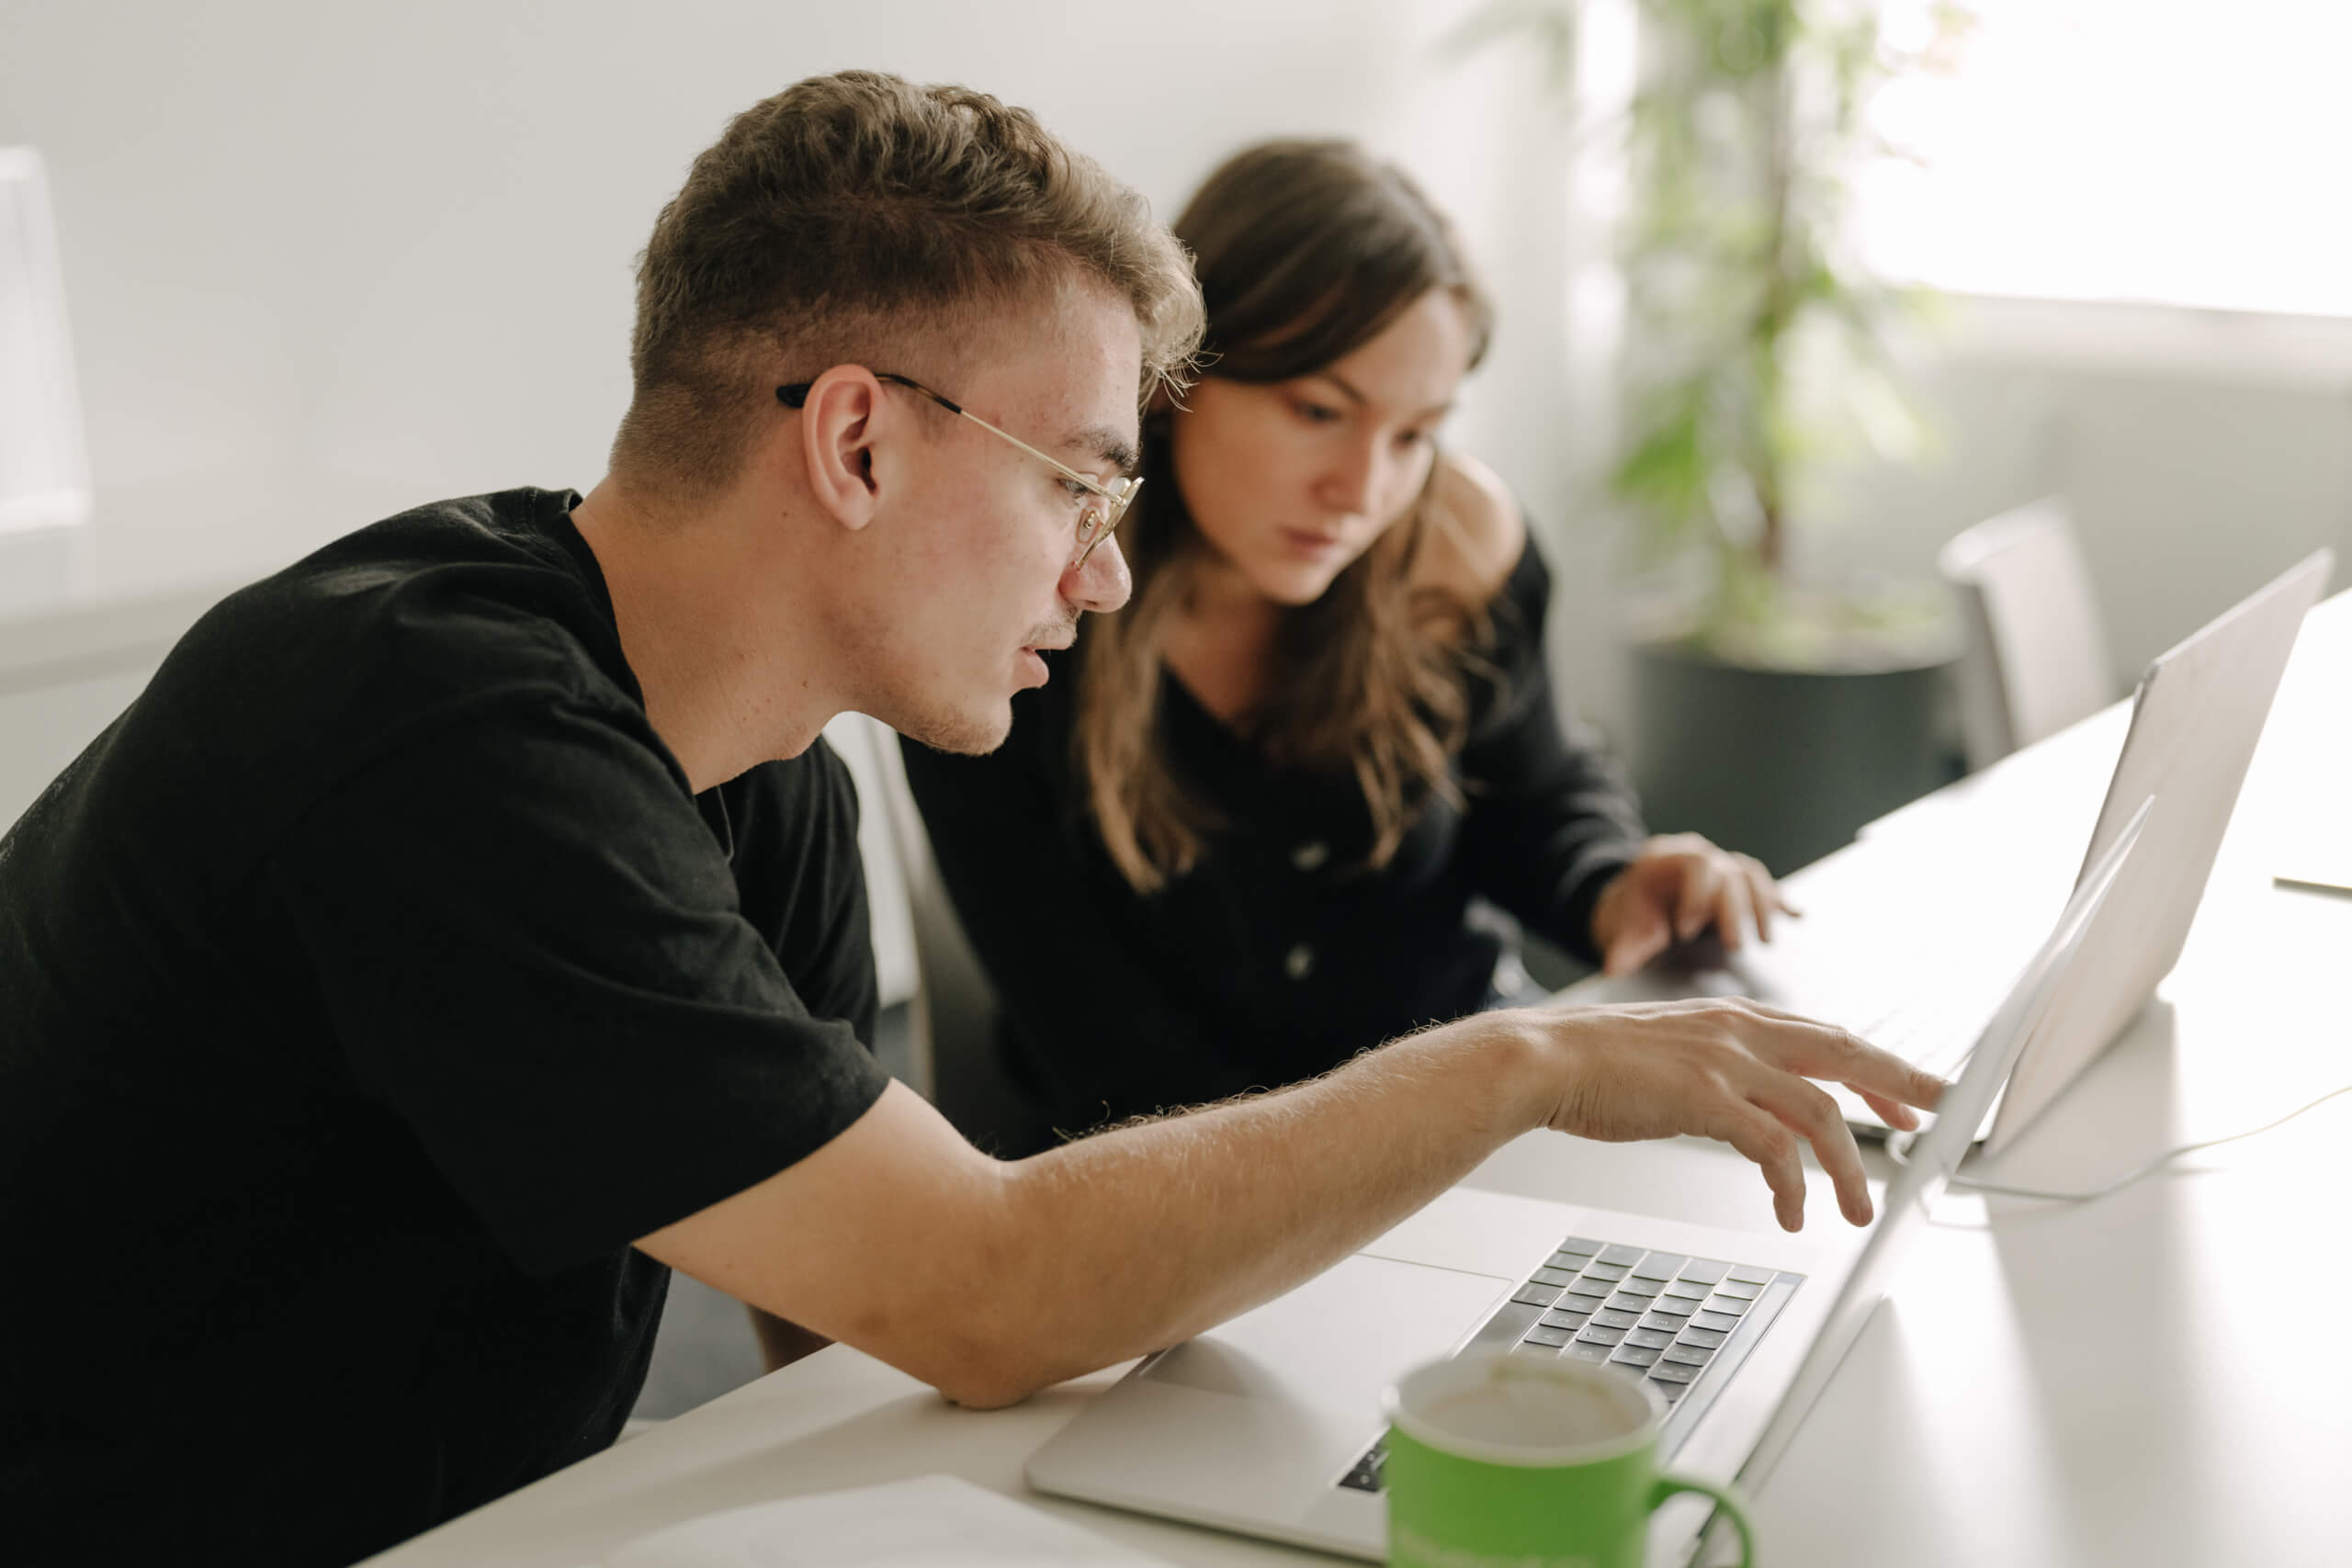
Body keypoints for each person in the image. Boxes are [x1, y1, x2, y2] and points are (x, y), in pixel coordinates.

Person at [0, 73, 1940, 1568]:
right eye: (1079, 488)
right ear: (853, 438)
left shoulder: (771, 781)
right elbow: (980, 1290)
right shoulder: (437, 738)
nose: (1103, 578)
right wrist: (1522, 1063)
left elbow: (846, 1341)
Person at [902, 140, 1789, 1150]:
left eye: (1414, 435)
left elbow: (1533, 794)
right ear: (1173, 380)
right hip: (1165, 1188)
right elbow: (1109, 1053)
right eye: (1319, 411)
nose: (1363, 488)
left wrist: (1614, 881)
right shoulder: (1018, 615)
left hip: (1472, 1124)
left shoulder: (1454, 541)